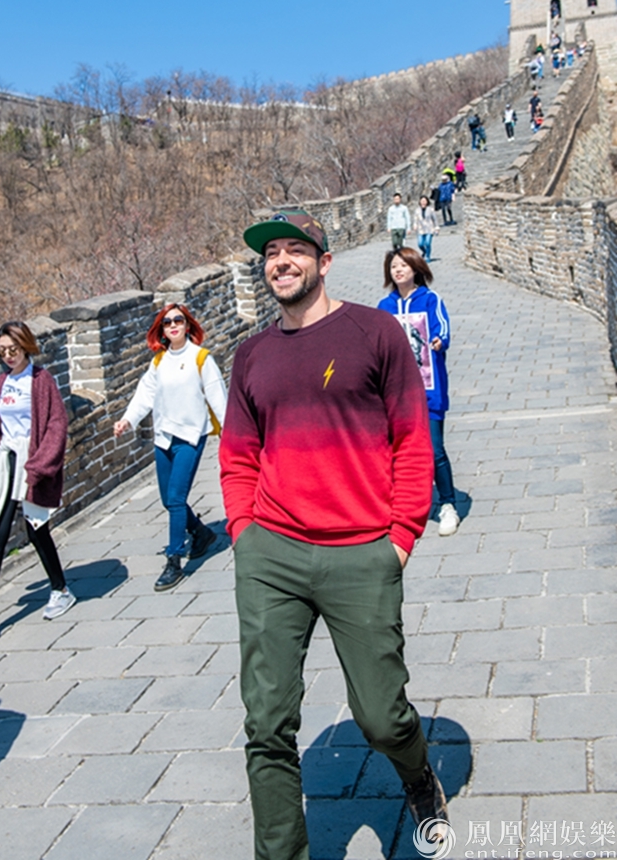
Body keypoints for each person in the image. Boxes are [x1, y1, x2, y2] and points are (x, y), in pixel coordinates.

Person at [220, 207, 448, 860]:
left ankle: (416, 775)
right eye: (270, 254)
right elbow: (237, 454)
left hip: (361, 551)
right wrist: (243, 532)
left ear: (323, 263)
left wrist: (399, 539)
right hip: (271, 553)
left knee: (381, 716)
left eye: (294, 250)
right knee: (266, 724)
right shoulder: (251, 355)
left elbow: (412, 440)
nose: (280, 262)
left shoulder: (374, 333)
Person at [0, 321, 75, 634]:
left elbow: (57, 424)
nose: (9, 356)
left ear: (26, 346)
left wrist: (40, 464)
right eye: (3, 351)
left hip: (32, 459)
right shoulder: (2, 382)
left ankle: (60, 590)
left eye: (14, 349)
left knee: (36, 530)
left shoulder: (41, 380)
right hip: (6, 462)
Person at [114, 303, 227, 592]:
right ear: (161, 330)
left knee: (176, 498)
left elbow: (218, 398)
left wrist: (231, 433)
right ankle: (201, 533)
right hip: (164, 437)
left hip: (190, 437)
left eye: (178, 320)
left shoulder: (201, 358)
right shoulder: (159, 361)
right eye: (167, 322)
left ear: (188, 325)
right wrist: (127, 420)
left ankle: (174, 559)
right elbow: (144, 395)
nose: (173, 325)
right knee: (167, 500)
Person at [378, 248, 460, 538]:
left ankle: (448, 504)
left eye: (404, 265)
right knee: (397, 451)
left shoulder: (430, 299)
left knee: (435, 449)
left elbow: (443, 328)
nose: (398, 270)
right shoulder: (385, 306)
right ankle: (403, 505)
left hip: (429, 386)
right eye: (394, 266)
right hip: (396, 392)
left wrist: (439, 340)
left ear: (415, 268)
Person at [413, 194, 438, 261]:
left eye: (424, 201)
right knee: (420, 244)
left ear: (427, 202)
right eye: (422, 201)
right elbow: (415, 219)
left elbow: (435, 219)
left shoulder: (430, 210)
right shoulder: (417, 210)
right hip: (420, 229)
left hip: (429, 229)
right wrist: (415, 225)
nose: (423, 202)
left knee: (427, 243)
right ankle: (424, 251)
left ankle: (427, 256)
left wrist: (436, 227)